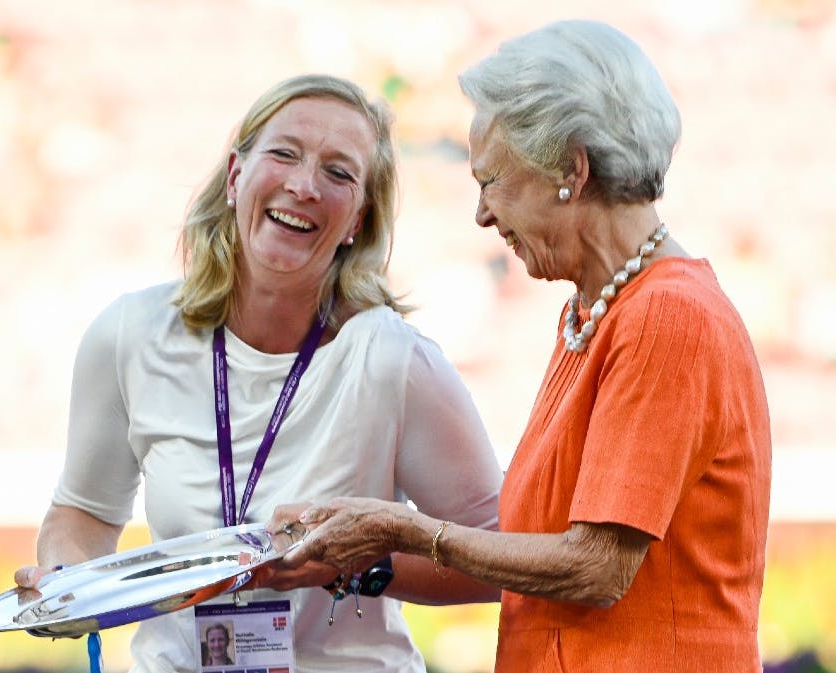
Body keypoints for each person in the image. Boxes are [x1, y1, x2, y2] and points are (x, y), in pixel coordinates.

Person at [278, 21, 772, 671]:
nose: (482, 214)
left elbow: (596, 566)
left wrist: (404, 527)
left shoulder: (667, 318)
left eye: (491, 181)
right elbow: (524, 551)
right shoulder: (596, 311)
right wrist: (355, 557)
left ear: (571, 167)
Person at [13, 74, 503, 673]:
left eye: (339, 173)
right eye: (284, 153)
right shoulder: (129, 335)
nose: (303, 185)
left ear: (357, 220)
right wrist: (67, 583)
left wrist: (360, 566)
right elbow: (82, 514)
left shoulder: (392, 359)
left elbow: (497, 557)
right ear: (235, 174)